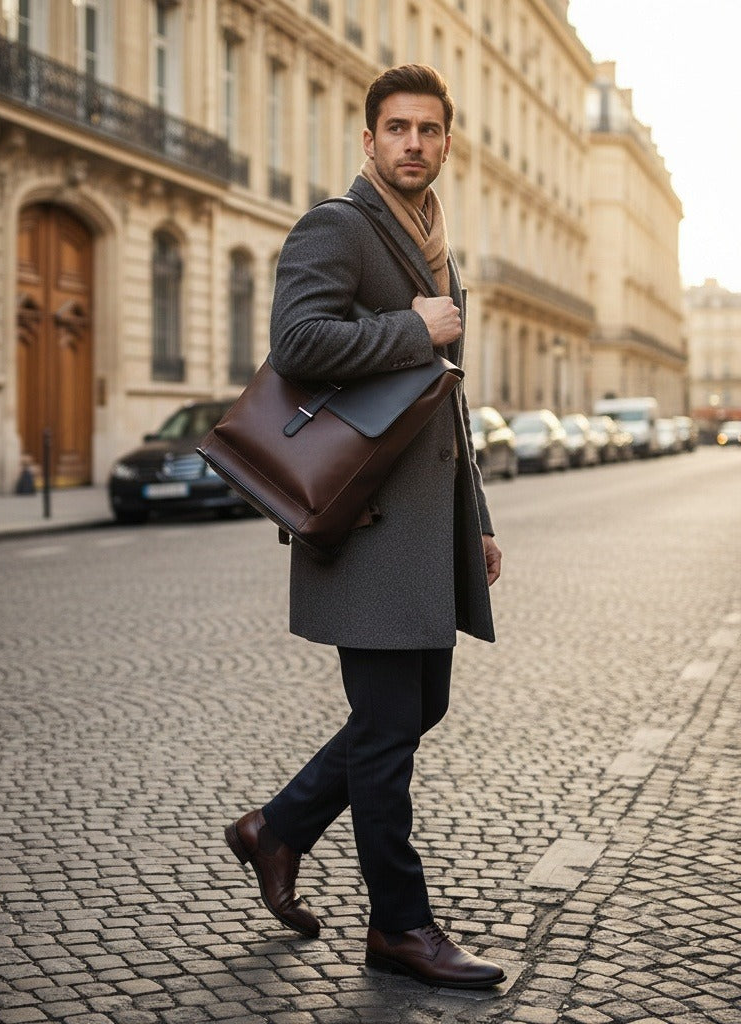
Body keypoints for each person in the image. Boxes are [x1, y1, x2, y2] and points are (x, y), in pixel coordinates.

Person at [224, 64, 506, 990]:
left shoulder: (435, 248)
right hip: (368, 525)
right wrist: (413, 329)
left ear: (447, 142)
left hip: (429, 528)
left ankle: (278, 827)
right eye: (398, 129)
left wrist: (481, 522)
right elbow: (297, 343)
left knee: (418, 709)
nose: (414, 144)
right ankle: (400, 927)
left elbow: (448, 407)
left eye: (430, 129)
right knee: (387, 734)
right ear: (369, 140)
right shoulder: (336, 228)